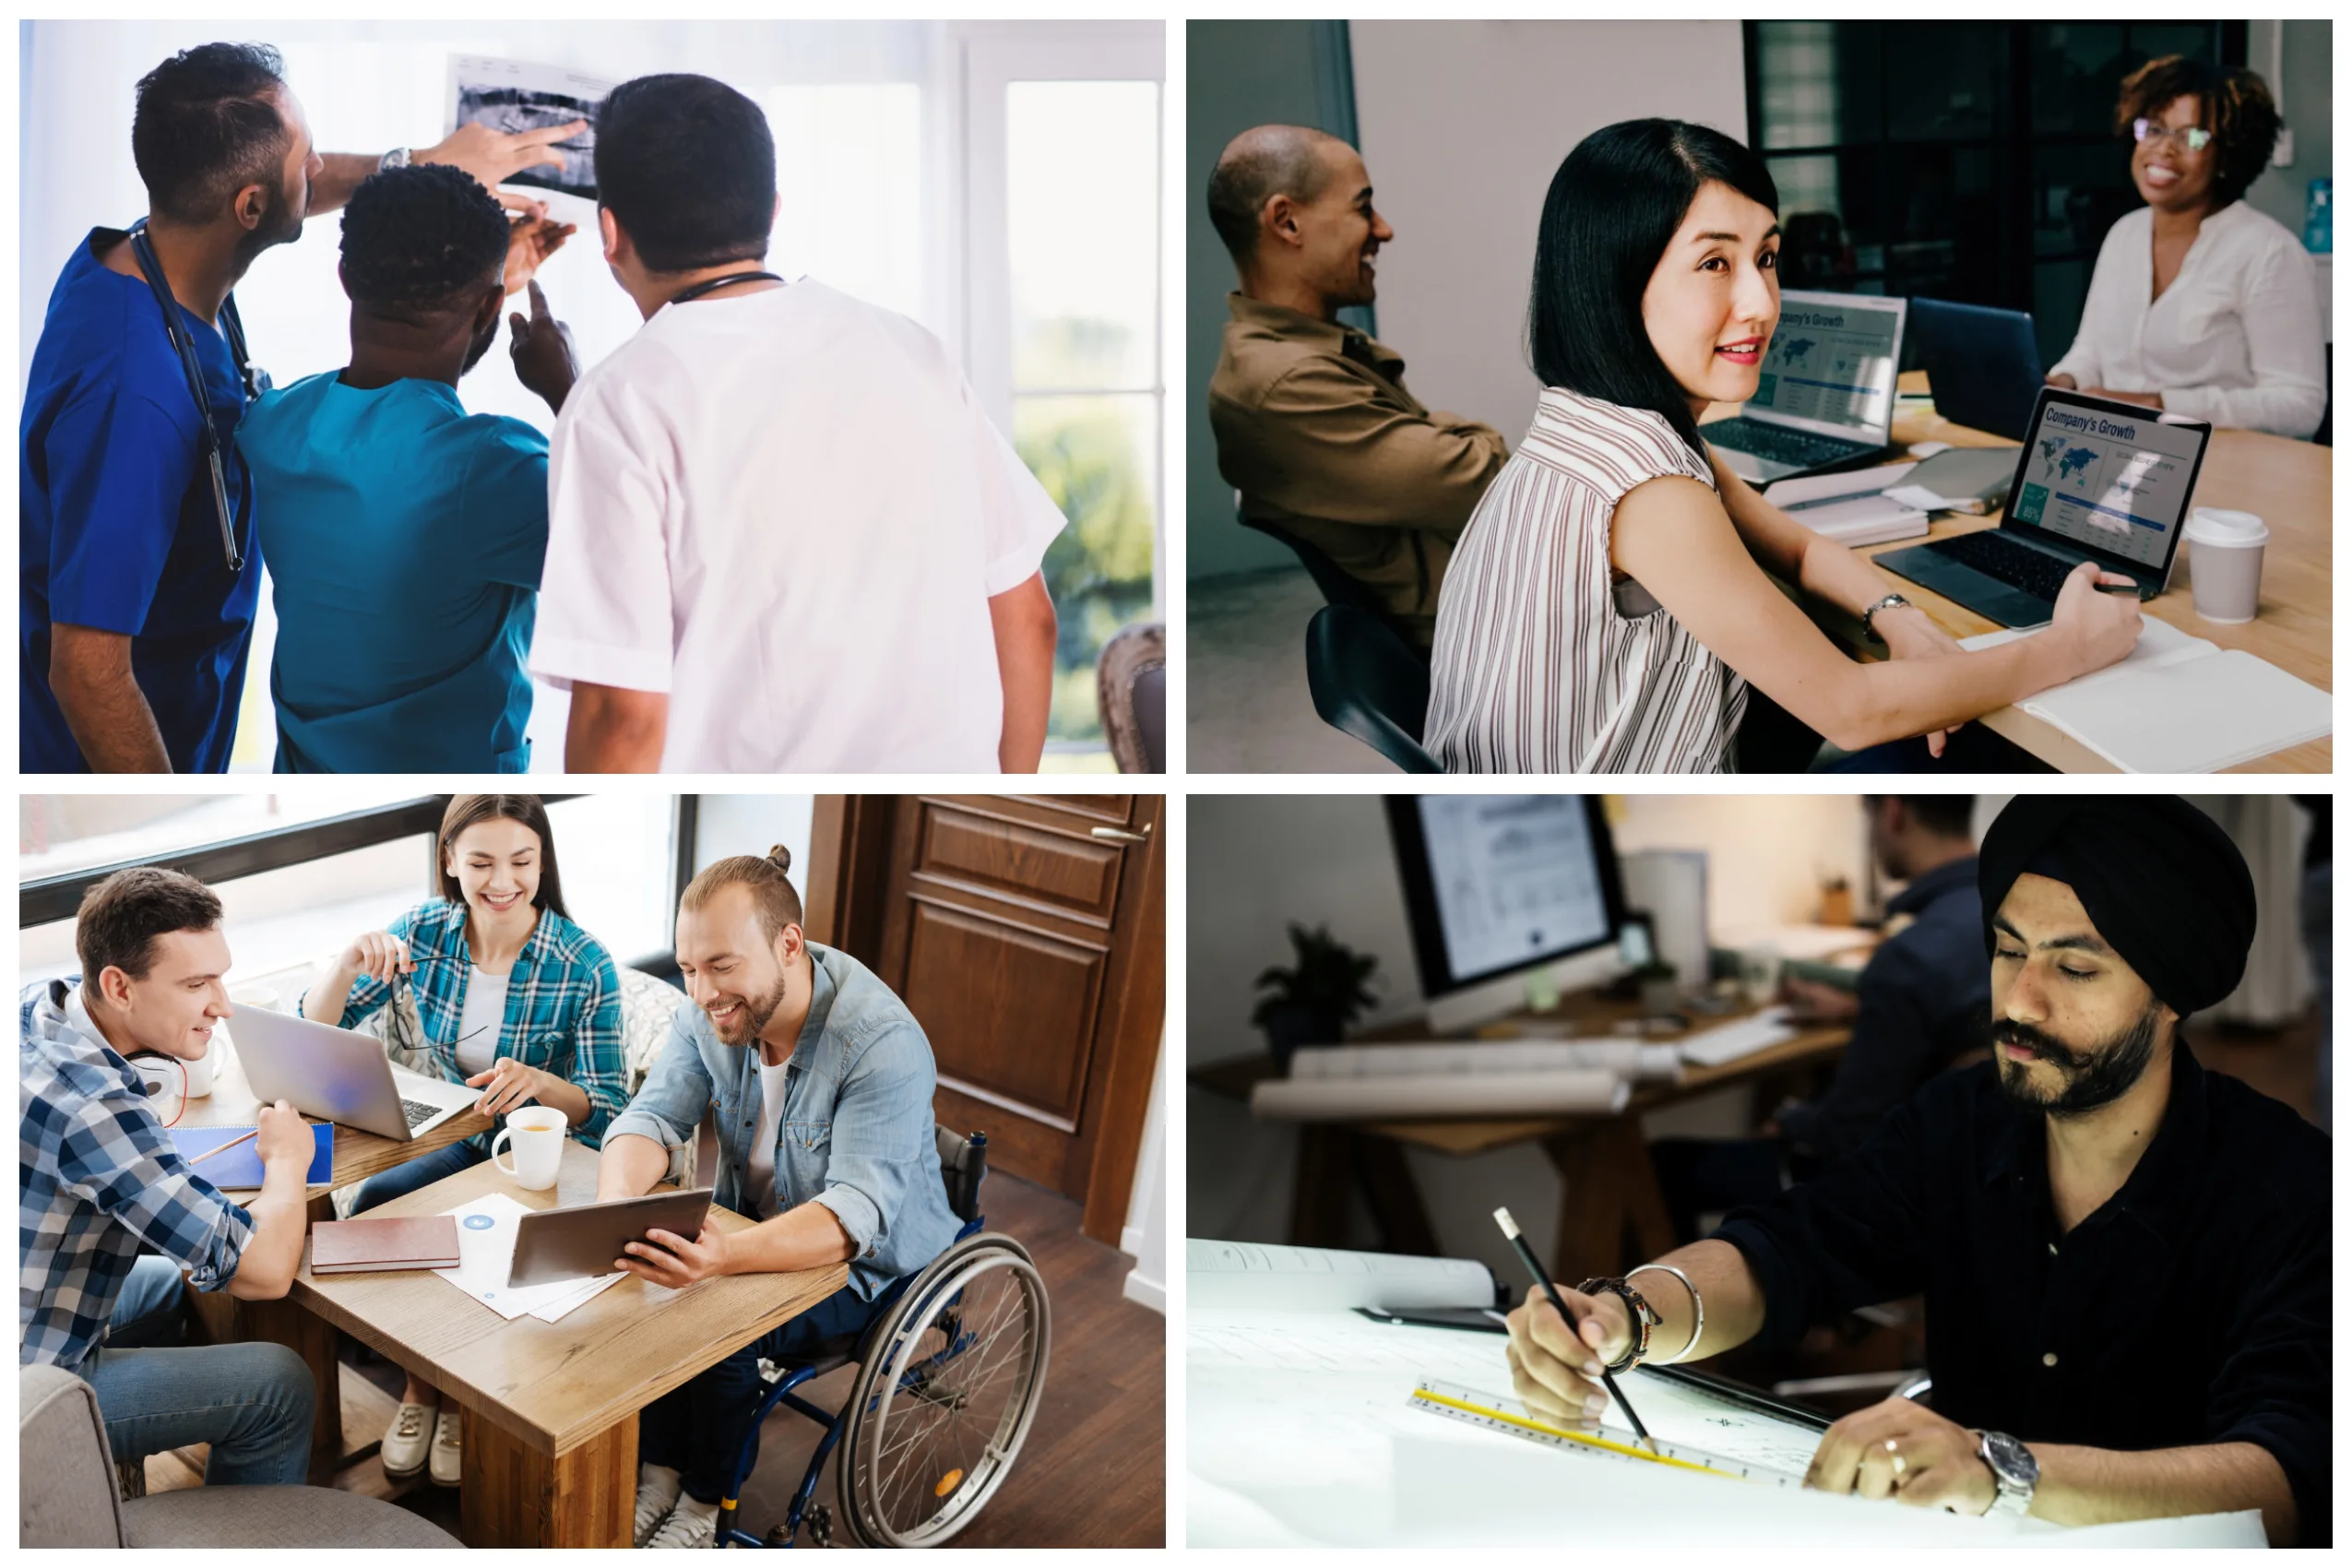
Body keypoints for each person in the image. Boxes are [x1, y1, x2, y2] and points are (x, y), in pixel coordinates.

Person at [1504, 795, 2326, 1545]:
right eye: (2009, 951)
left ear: (2172, 995)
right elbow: (1789, 1248)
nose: (2021, 1002)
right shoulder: (1962, 1122)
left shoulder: (2289, 1189)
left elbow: (2284, 1483)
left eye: (2075, 969)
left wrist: (1998, 1471)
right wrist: (1627, 1317)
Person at [1424, 120, 2146, 774]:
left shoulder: (1598, 422)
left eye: (1766, 258)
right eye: (1715, 264)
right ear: (1615, 283)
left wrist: (1901, 618)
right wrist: (2072, 646)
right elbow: (1854, 711)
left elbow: (1798, 550)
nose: (1764, 303)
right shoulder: (1648, 489)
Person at [19, 41, 581, 773]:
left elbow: (401, 385)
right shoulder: (134, 398)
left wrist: (416, 178)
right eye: (306, 158)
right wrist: (569, 390)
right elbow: (88, 674)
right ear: (250, 207)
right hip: (119, 751)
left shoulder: (145, 273)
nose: (320, 172)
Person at [526, 73, 1066, 773]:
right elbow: (1029, 619)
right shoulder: (912, 349)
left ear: (609, 230)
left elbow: (622, 717)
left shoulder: (615, 402)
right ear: (773, 211)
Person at [596, 847, 963, 1548]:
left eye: (722, 966)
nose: (701, 993)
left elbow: (853, 1218)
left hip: (869, 1265)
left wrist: (724, 1257)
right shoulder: (711, 1011)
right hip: (753, 1224)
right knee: (653, 1292)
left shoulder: (881, 1044)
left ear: (789, 945)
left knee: (716, 1323)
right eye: (688, 969)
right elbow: (651, 1115)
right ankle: (662, 1474)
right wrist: (617, 1204)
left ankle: (706, 1507)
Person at [302, 793, 626, 1488]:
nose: (501, 880)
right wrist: (347, 961)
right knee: (376, 1212)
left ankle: (454, 1399)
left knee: (478, 1242)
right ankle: (428, 1388)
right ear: (449, 860)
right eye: (480, 861)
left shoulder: (584, 963)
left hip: (536, 1156)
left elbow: (607, 1108)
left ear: (544, 862)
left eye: (521, 861)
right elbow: (317, 1027)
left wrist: (542, 1082)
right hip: (455, 1136)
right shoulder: (423, 931)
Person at [240, 165, 577, 772]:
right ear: (488, 309)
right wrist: (570, 393)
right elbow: (633, 562)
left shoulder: (271, 427)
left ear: (346, 279)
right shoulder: (491, 471)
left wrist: (485, 288)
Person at [19, 867, 316, 1484]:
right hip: (27, 1386)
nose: (223, 1005)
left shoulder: (32, 1013)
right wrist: (288, 1159)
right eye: (196, 984)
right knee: (279, 1385)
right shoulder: (94, 1110)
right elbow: (263, 1274)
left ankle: (111, 1479)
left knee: (169, 1286)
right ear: (118, 987)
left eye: (221, 978)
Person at [1205, 125, 1508, 650]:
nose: (1383, 230)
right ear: (1287, 221)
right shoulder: (1284, 382)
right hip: (1500, 643)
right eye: (1363, 208)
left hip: (1503, 603)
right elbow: (1488, 484)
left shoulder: (1311, 349)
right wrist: (1469, 437)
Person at [2046, 57, 2324, 442]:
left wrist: (2161, 404)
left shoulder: (2269, 252)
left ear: (2227, 154)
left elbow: (2299, 405)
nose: (2163, 150)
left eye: (2191, 137)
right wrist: (2064, 380)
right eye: (2154, 129)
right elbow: (2091, 352)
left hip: (2231, 469)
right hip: (2115, 452)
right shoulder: (2124, 234)